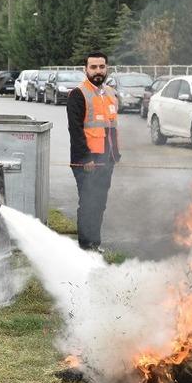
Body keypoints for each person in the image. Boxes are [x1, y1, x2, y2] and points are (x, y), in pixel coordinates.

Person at [67, 52, 120, 252]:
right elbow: (75, 129)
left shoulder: (111, 94)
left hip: (107, 160)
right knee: (88, 203)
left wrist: (115, 155)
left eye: (101, 67)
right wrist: (85, 158)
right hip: (87, 162)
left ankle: (94, 243)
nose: (98, 71)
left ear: (107, 68)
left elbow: (111, 127)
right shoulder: (78, 94)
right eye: (93, 67)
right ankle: (85, 246)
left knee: (100, 203)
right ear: (85, 69)